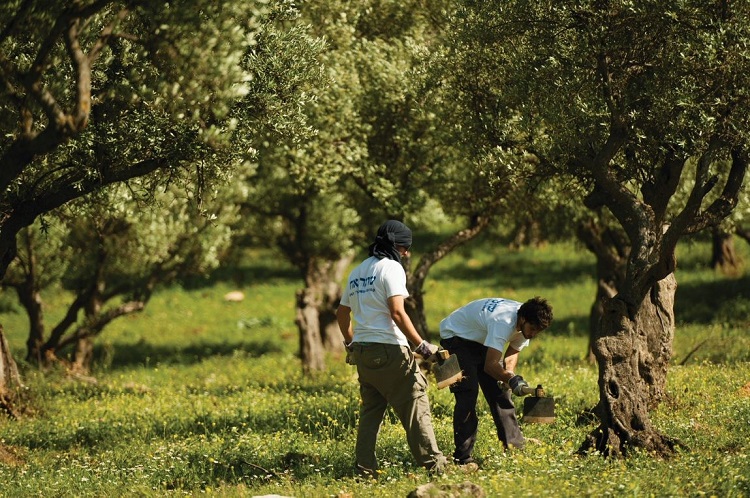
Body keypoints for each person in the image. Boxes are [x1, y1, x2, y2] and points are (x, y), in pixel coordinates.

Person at [336, 220, 448, 478]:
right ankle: (436, 467)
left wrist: (352, 344)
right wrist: (421, 345)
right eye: (405, 248)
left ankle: (364, 469)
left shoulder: (357, 272)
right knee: (415, 403)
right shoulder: (392, 268)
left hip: (364, 353)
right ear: (396, 247)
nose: (407, 253)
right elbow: (397, 312)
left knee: (370, 412)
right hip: (390, 351)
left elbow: (342, 313)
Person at [438, 297, 553, 466]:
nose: (533, 334)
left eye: (538, 331)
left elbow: (512, 353)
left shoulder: (526, 322)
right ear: (523, 319)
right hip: (456, 337)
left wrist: (509, 376)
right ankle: (463, 459)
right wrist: (509, 378)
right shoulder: (503, 322)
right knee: (467, 395)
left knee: (501, 393)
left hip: (481, 339)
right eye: (533, 329)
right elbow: (490, 365)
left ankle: (515, 449)